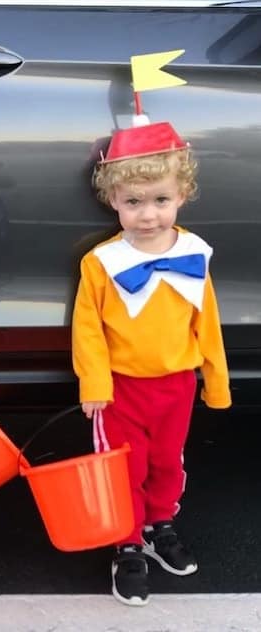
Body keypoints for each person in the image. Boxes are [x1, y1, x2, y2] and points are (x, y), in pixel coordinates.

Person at [71, 118, 231, 607]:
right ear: (113, 200)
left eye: (160, 200)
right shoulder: (101, 262)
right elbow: (88, 329)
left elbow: (208, 323)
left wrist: (215, 383)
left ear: (181, 194)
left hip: (176, 384)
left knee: (166, 462)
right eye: (133, 202)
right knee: (124, 468)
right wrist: (94, 383)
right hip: (120, 389)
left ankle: (160, 524)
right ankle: (126, 544)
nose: (147, 215)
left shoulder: (192, 255)